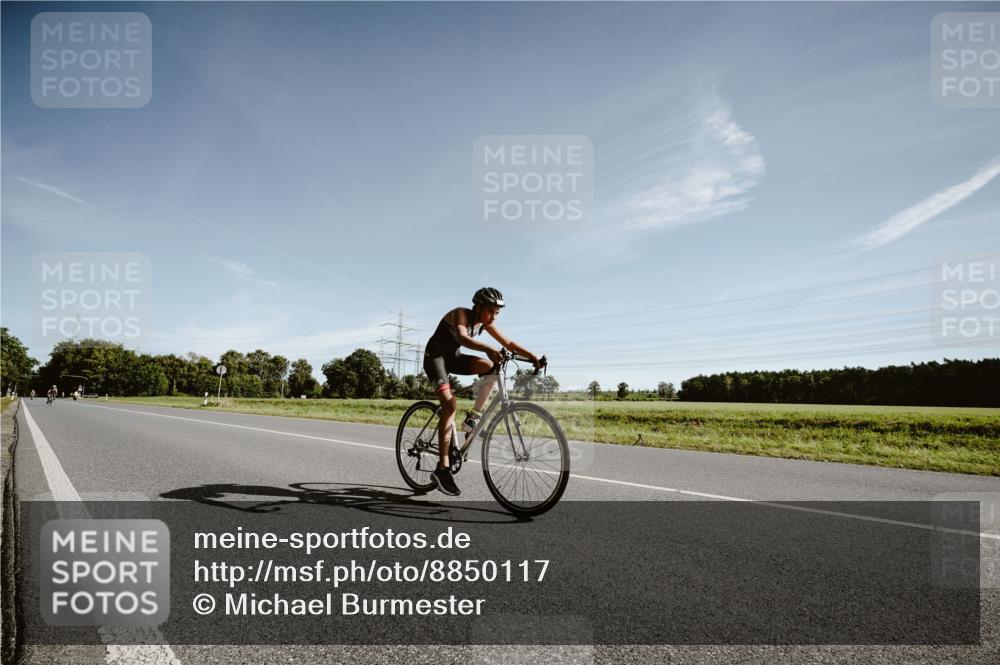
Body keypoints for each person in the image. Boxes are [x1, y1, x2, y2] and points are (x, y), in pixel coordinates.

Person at [422, 287, 544, 496]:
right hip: (435, 358)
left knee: (491, 368)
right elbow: (462, 337)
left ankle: (473, 417)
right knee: (450, 404)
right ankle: (442, 469)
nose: (494, 316)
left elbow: (509, 343)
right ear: (478, 308)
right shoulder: (460, 313)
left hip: (454, 357)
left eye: (497, 313)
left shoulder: (485, 323)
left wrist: (532, 357)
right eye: (491, 311)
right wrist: (488, 348)